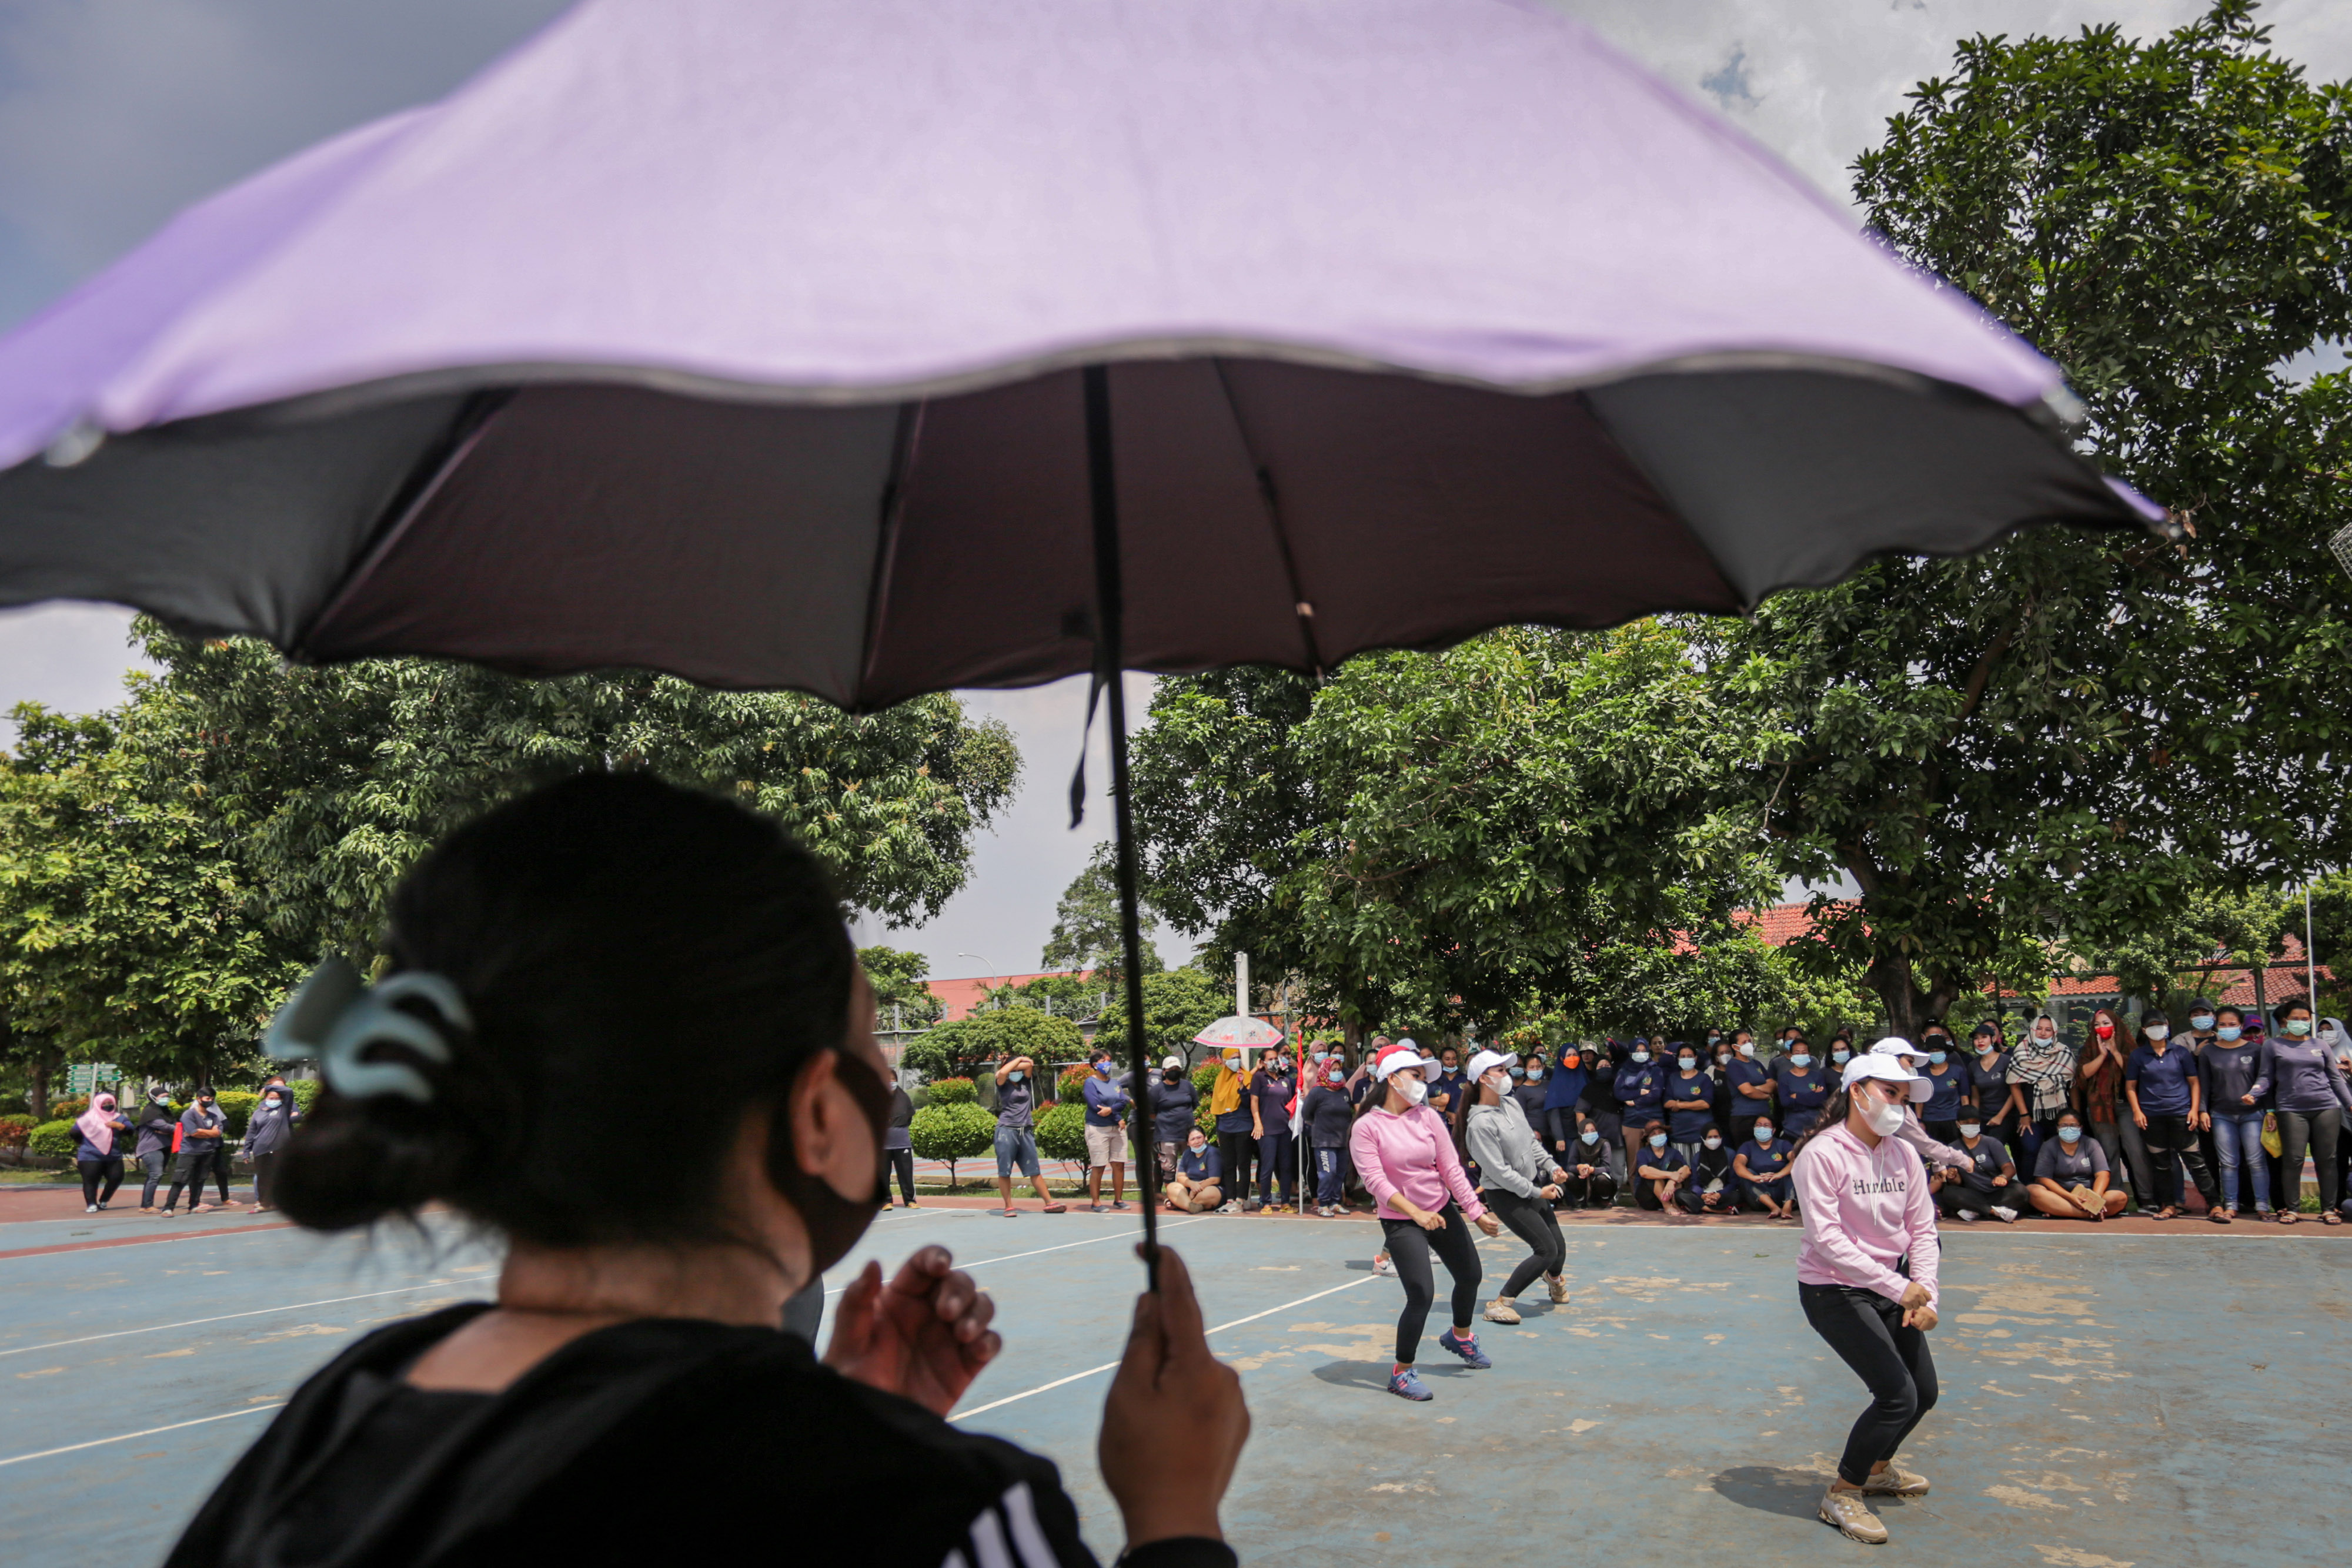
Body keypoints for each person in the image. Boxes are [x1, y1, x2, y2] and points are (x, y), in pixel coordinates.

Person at [166, 773, 1247, 1568]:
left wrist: (842, 1415)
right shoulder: (928, 1507)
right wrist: (1175, 1517)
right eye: (873, 1049)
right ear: (819, 1110)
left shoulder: (351, 1407)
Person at [1793, 1053, 1940, 1547]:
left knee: (1925, 1392)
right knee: (1896, 1395)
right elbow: (1828, 1239)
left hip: (1891, 1286)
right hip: (1833, 1288)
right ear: (1857, 1091)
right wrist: (1900, 1289)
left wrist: (1926, 1295)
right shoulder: (1822, 1154)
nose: (1898, 1105)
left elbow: (1922, 1230)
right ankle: (1844, 1490)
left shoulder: (1903, 1155)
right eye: (1889, 1092)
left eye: (1904, 1097)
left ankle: (1877, 1469)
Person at [1348, 1043, 1502, 1402]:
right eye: (1415, 1076)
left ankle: (1460, 1337)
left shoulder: (1428, 1117)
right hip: (1402, 1219)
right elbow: (1375, 1182)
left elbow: (1451, 1169)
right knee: (1421, 1294)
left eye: (1423, 1077)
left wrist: (1476, 1212)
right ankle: (1401, 1373)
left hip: (1440, 1208)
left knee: (1470, 1276)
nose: (1422, 1084)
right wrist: (1415, 1213)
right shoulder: (1367, 1127)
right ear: (1392, 1079)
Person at [1462, 1049, 1571, 1324]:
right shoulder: (1479, 1124)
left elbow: (1530, 1143)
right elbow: (1498, 1172)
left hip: (1530, 1186)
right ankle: (1501, 1302)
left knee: (1558, 1250)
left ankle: (1553, 1278)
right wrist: (1537, 1192)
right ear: (1484, 1079)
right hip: (1505, 1196)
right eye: (1500, 1071)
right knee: (1546, 1250)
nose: (1507, 1074)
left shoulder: (1510, 1104)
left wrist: (1551, 1167)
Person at [2254, 1001, 2352, 1226]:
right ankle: (2293, 1209)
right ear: (2286, 1021)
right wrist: (2255, 1093)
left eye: (2305, 1019)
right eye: (2296, 1019)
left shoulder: (2321, 1046)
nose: (2301, 1023)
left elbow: (2335, 1078)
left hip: (2326, 1107)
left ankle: (2328, 1209)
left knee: (2327, 1160)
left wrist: (2349, 1104)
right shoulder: (2273, 1046)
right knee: (2293, 1160)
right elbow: (2265, 1077)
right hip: (2291, 1109)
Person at [2125, 1009, 2217, 1221]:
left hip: (2181, 1114)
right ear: (2144, 1030)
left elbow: (2194, 1082)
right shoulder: (2138, 1055)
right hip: (2152, 1116)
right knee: (2161, 1165)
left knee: (2196, 1162)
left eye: (2161, 1024)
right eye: (2152, 1025)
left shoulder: (2180, 1052)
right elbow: (2130, 1086)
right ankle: (2169, 1205)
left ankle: (2214, 1204)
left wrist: (2194, 1110)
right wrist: (2137, 1111)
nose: (2158, 1029)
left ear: (2168, 1026)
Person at [2197, 1010, 2269, 1222]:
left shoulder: (2255, 1050)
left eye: (2232, 1024)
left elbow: (2265, 1080)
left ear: (2241, 1026)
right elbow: (2204, 1084)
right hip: (2221, 1115)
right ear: (2217, 1026)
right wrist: (2203, 1110)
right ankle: (2230, 1205)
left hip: (2252, 1115)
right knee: (2228, 1163)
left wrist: (2264, 1105)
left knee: (2256, 1162)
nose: (2228, 1028)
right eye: (2223, 1024)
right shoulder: (2209, 1052)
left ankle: (2263, 1206)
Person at [991, 1054, 1065, 1218]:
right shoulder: (1002, 1082)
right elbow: (1002, 1073)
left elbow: (1030, 1064)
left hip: (1026, 1130)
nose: (1017, 1071)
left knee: (1034, 1169)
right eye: (1014, 1069)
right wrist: (1015, 1062)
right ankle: (1009, 1206)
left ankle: (1049, 1202)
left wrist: (1020, 1061)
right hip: (1006, 1130)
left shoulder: (1025, 1082)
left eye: (1019, 1069)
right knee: (1005, 1171)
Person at [2003, 1014, 2077, 1167]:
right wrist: (2024, 1115)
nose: (2043, 1033)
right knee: (2031, 1149)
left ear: (2054, 1033)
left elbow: (2073, 1085)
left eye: (2048, 1030)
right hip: (2032, 1115)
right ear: (2032, 1030)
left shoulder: (2064, 1053)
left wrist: (2076, 1114)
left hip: (2060, 1115)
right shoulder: (2020, 1052)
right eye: (2039, 1028)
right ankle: (2030, 1186)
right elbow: (2014, 1085)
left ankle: (2057, 1187)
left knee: (2060, 1153)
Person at [2026, 1109, 2127, 1219]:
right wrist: (2070, 1197)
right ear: (2058, 1128)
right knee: (2032, 1191)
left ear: (2080, 1128)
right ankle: (2088, 1214)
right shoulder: (2049, 1146)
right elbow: (2043, 1179)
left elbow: (2103, 1174)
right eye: (2064, 1125)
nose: (2069, 1129)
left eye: (2073, 1125)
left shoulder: (2091, 1144)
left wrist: (2095, 1198)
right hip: (2061, 1196)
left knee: (2120, 1197)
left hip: (2089, 1193)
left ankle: (2061, 1211)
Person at [1931, 1115, 2020, 1223]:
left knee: (2021, 1191)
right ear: (1958, 1124)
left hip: (1995, 1191)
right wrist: (1953, 1176)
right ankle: (1993, 1211)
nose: (1970, 1126)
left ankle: (1976, 1209)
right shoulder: (1953, 1147)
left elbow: (2009, 1168)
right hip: (1971, 1193)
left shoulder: (1992, 1143)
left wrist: (2003, 1177)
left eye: (1974, 1122)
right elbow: (1957, 1183)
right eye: (1966, 1122)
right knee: (1950, 1192)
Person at [1081, 1048, 1133, 1214]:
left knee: (1119, 1164)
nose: (1107, 1064)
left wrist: (1113, 1113)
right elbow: (1095, 1105)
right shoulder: (1090, 1083)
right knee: (1099, 1166)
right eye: (1104, 1061)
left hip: (1116, 1128)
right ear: (1095, 1065)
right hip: (1097, 1129)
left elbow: (1121, 1102)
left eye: (1109, 1061)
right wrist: (1115, 1114)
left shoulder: (1115, 1083)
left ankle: (1118, 1200)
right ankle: (1096, 1202)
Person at [162, 1091, 227, 1216]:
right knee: (180, 1180)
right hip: (189, 1153)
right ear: (199, 1099)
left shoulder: (213, 1116)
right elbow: (193, 1132)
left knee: (200, 1180)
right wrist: (209, 1133)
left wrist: (202, 1132)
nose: (210, 1101)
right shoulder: (188, 1115)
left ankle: (194, 1205)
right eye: (208, 1098)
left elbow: (218, 1132)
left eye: (212, 1098)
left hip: (208, 1152)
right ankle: (168, 1208)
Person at [1248, 1047, 1297, 1213]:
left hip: (1285, 1129)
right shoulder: (1259, 1078)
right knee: (1268, 1166)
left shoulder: (1285, 1079)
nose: (1274, 1061)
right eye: (1270, 1059)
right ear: (1262, 1062)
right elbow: (1254, 1101)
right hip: (1267, 1130)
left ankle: (1285, 1201)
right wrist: (1258, 1123)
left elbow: (1292, 1103)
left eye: (1276, 1058)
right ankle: (1266, 1201)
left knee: (1286, 1166)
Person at [1303, 1058, 1354, 1216]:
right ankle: (1323, 1203)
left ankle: (1335, 1202)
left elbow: (1349, 1113)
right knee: (1327, 1173)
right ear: (1325, 1071)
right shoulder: (1317, 1092)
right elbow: (1306, 1114)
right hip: (1324, 1141)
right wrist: (1319, 1125)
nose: (1337, 1073)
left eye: (1339, 1069)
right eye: (1333, 1070)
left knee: (1340, 1173)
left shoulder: (1344, 1092)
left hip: (1342, 1141)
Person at [1208, 1049, 1255, 1212]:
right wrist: (1218, 1131)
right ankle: (1230, 1199)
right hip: (1224, 1128)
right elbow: (1217, 1108)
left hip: (1243, 1127)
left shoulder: (1247, 1076)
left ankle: (1240, 1200)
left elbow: (1249, 1103)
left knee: (1243, 1165)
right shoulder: (1220, 1079)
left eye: (1238, 1058)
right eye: (1233, 1058)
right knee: (1228, 1166)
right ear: (1225, 1060)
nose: (1236, 1061)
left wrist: (1242, 1087)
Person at [241, 1085, 298, 1213]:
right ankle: (265, 1203)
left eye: (277, 1098)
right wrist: (246, 1151)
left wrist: (268, 1087)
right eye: (271, 1097)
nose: (274, 1100)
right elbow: (251, 1133)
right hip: (260, 1149)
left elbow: (289, 1091)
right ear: (266, 1099)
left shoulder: (284, 1109)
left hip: (279, 1149)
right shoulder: (258, 1112)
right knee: (263, 1178)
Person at [1613, 1042, 1665, 1177]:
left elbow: (1655, 1094)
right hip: (1632, 1124)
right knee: (1634, 1164)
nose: (1641, 1053)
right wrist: (1639, 1092)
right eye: (1637, 1050)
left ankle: (1658, 1196)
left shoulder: (1655, 1070)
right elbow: (1619, 1093)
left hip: (1653, 1121)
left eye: (1644, 1050)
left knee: (1657, 1161)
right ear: (1631, 1053)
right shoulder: (1624, 1071)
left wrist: (1634, 1101)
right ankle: (1637, 1196)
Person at [74, 1091, 131, 1212]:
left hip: (113, 1156)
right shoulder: (88, 1117)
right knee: (91, 1180)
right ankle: (91, 1204)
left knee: (117, 1177)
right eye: (105, 1103)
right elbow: (74, 1132)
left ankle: (104, 1200)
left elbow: (131, 1130)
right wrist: (85, 1144)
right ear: (98, 1104)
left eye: (110, 1103)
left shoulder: (119, 1118)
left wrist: (121, 1127)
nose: (108, 1105)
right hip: (90, 1155)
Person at [1149, 1056, 1199, 1186]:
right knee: (1168, 1168)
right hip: (1167, 1135)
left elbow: (1194, 1104)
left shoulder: (1187, 1086)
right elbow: (1151, 1112)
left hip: (1188, 1135)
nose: (1175, 1071)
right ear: (1164, 1072)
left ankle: (1190, 1192)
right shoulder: (1157, 1090)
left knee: (1191, 1165)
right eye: (1171, 1069)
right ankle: (1171, 1195)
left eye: (1177, 1069)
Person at [1734, 1115, 1795, 1219]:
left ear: (1774, 1130)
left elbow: (1796, 1160)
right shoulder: (1747, 1146)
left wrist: (1779, 1175)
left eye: (1766, 1126)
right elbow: (1738, 1164)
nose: (1762, 1128)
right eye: (1759, 1125)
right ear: (1754, 1129)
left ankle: (1787, 1206)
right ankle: (1774, 1208)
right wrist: (1753, 1177)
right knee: (1746, 1174)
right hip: (1759, 1195)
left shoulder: (1783, 1144)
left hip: (1781, 1190)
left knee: (1792, 1171)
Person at [1663, 1045, 1715, 1169]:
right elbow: (1667, 1102)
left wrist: (1679, 1104)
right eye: (1683, 1056)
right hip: (1679, 1131)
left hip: (1700, 1132)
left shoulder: (1704, 1078)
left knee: (1701, 1168)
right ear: (1678, 1059)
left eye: (1690, 1056)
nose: (1686, 1059)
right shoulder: (1673, 1078)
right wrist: (1693, 1104)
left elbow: (1705, 1103)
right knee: (1682, 1168)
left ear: (1696, 1058)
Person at [1771, 1039, 1829, 1139]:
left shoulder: (1818, 1076)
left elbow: (1821, 1100)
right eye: (1797, 1053)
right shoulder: (1784, 1078)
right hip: (1792, 1132)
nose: (1801, 1055)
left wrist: (1796, 1096)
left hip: (1815, 1131)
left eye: (1804, 1053)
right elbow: (1786, 1102)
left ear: (1809, 1055)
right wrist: (1811, 1099)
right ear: (1791, 1055)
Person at [1559, 1116, 1620, 1209]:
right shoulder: (1577, 1144)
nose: (1590, 1134)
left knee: (1602, 1179)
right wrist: (1579, 1168)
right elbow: (1570, 1166)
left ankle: (1605, 1200)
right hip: (1582, 1180)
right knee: (1569, 1177)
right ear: (1580, 1133)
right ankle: (1581, 1200)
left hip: (1598, 1179)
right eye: (1586, 1132)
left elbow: (1607, 1167)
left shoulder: (1604, 1144)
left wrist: (1592, 1170)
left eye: (1593, 1131)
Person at [133, 1087, 178, 1212]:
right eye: (162, 1096)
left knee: (154, 1175)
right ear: (153, 1097)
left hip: (164, 1146)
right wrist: (170, 1129)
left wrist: (169, 1129)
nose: (166, 1099)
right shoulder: (150, 1112)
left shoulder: (165, 1111)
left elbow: (172, 1126)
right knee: (156, 1174)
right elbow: (164, 1126)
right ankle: (148, 1206)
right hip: (151, 1148)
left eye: (167, 1096)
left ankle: (145, 1205)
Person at [1916, 1036, 1966, 1146]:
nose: (1936, 1053)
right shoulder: (1922, 1073)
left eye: (1939, 1050)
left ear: (1945, 1051)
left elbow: (1964, 1098)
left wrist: (1966, 1119)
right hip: (1930, 1121)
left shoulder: (1957, 1071)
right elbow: (1920, 1101)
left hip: (1954, 1120)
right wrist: (1919, 1121)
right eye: (1932, 1051)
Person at [1678, 1124, 1736, 1214]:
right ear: (1704, 1139)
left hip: (1722, 1195)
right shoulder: (1697, 1158)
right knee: (1680, 1194)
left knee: (1737, 1195)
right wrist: (1703, 1195)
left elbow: (1733, 1183)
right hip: (1704, 1195)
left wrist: (1719, 1195)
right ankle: (1719, 1211)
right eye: (1709, 1137)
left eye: (1716, 1137)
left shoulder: (1730, 1154)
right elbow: (1694, 1183)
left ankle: (1701, 1208)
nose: (1713, 1140)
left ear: (1721, 1137)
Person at [1631, 1121, 1689, 1212]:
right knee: (1653, 1168)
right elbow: (1644, 1172)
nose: (1658, 1136)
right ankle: (1666, 1205)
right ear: (1648, 1139)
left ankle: (1675, 1203)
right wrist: (1670, 1175)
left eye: (1661, 1133)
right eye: (1654, 1134)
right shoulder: (1643, 1153)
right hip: (1649, 1198)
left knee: (1677, 1165)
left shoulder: (1674, 1152)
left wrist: (1671, 1182)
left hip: (1671, 1192)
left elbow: (1686, 1170)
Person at [1165, 1130, 1224, 1214]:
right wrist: (1191, 1184)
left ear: (1205, 1138)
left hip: (1209, 1188)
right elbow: (1180, 1177)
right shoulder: (1187, 1154)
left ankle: (1181, 1204)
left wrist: (1195, 1190)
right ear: (1188, 1143)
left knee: (1210, 1194)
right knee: (1172, 1187)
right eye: (1192, 1139)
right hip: (1190, 1189)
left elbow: (1215, 1180)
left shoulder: (1213, 1153)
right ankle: (1190, 1206)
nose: (1196, 1142)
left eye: (1199, 1138)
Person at [881, 1078, 917, 1209]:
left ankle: (910, 1201)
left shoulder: (904, 1098)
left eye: (893, 1080)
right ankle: (885, 1202)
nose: (890, 1082)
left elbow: (909, 1118)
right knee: (883, 1174)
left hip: (902, 1143)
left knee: (906, 1173)